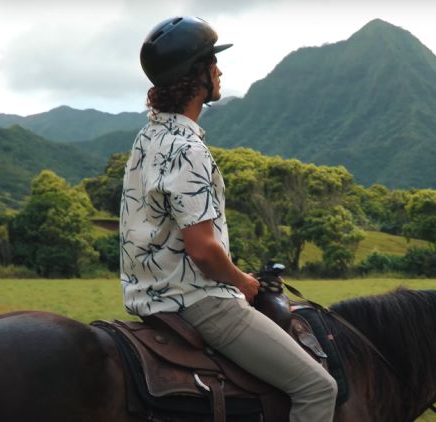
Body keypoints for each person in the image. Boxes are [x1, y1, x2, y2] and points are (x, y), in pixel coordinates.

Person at [119, 16, 337, 422]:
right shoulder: (189, 150)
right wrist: (243, 281)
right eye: (212, 63)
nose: (219, 71)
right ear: (196, 76)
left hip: (150, 298)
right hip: (200, 303)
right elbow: (202, 250)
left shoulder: (146, 139)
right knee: (318, 388)